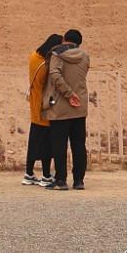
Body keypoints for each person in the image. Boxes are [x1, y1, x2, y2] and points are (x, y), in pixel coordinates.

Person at [43, 29, 91, 189]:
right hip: (79, 106)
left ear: (64, 39)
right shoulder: (85, 56)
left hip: (60, 106)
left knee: (59, 145)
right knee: (79, 145)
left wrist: (69, 94)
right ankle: (79, 180)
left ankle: (61, 179)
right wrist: (74, 95)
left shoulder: (57, 54)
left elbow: (55, 75)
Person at [23, 33, 63, 186]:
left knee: (33, 142)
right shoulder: (47, 64)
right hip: (45, 107)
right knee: (47, 143)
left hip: (35, 105)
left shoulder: (34, 56)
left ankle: (29, 173)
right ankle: (46, 175)